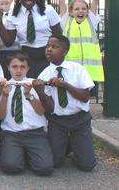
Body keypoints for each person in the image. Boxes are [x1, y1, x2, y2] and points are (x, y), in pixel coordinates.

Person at [34, 34, 97, 172]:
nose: (49, 49)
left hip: (79, 119)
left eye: (54, 47)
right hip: (58, 121)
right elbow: (50, 109)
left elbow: (85, 97)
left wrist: (65, 85)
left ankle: (76, 145)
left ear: (65, 51)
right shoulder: (44, 75)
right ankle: (66, 144)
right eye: (48, 46)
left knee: (87, 165)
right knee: (55, 163)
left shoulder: (77, 69)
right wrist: (41, 92)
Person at [0, 52, 53, 176]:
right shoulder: (3, 86)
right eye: (14, 66)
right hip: (12, 134)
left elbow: (41, 111)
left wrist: (29, 95)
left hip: (35, 133)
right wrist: (5, 95)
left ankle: (26, 154)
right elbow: (0, 115)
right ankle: (19, 154)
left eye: (22, 67)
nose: (18, 70)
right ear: (8, 68)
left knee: (45, 168)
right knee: (10, 167)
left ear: (28, 68)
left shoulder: (35, 84)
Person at [0, 0, 62, 78]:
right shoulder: (13, 14)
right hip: (27, 58)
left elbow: (58, 35)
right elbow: (8, 42)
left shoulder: (48, 10)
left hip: (47, 55)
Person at [50, 0, 105, 83]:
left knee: (86, 99)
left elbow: (95, 0)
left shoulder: (91, 21)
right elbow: (61, 0)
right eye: (77, 9)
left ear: (87, 11)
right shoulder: (66, 21)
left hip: (90, 72)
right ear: (71, 11)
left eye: (84, 9)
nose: (81, 11)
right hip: (71, 70)